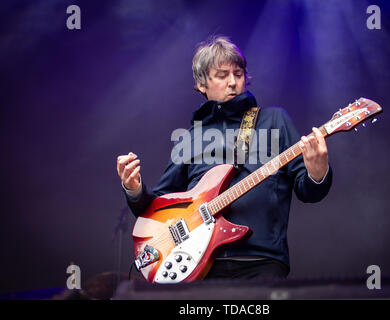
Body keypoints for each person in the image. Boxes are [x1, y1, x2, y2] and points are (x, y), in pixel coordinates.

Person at [116, 36, 332, 280]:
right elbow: (158, 209)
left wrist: (317, 172)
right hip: (199, 264)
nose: (232, 82)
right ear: (201, 83)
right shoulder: (190, 137)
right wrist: (134, 189)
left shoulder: (275, 121)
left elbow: (309, 192)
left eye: (238, 74)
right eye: (222, 75)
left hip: (261, 261)